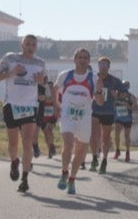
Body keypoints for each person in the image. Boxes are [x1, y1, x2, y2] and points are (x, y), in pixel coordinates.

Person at [0, 33, 46, 194]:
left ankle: (25, 179)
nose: (30, 47)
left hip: (30, 106)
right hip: (12, 105)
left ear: (36, 47)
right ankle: (14, 161)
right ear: (21, 45)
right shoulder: (10, 58)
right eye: (27, 44)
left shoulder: (40, 62)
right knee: (13, 144)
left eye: (33, 45)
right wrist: (11, 73)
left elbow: (43, 82)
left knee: (27, 141)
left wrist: (40, 81)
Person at [55, 48, 97, 196]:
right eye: (80, 57)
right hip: (67, 117)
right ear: (75, 59)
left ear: (89, 61)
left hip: (84, 119)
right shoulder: (65, 75)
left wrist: (98, 92)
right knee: (68, 144)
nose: (83, 60)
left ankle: (72, 179)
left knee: (80, 152)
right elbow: (55, 90)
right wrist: (56, 107)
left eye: (86, 58)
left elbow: (100, 101)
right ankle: (64, 172)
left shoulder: (94, 78)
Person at [88, 56, 123, 174]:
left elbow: (125, 94)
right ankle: (94, 157)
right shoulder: (93, 78)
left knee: (105, 137)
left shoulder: (114, 81)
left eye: (105, 65)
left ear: (109, 67)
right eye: (101, 65)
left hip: (108, 111)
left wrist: (117, 94)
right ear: (98, 66)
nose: (103, 67)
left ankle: (104, 160)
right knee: (93, 134)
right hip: (95, 110)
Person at [35, 77, 59, 158]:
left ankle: (51, 146)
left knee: (49, 130)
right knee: (45, 132)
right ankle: (50, 149)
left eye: (52, 86)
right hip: (43, 114)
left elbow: (52, 100)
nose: (51, 88)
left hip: (52, 114)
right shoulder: (40, 88)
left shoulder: (54, 92)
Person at [113, 80, 135, 162]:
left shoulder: (131, 96)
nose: (125, 87)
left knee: (127, 136)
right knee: (116, 135)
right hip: (118, 118)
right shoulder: (116, 95)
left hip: (127, 118)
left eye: (127, 85)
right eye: (123, 85)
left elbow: (136, 108)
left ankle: (127, 152)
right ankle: (117, 150)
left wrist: (128, 106)